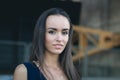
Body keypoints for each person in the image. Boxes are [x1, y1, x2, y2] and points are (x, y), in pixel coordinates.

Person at [13, 8, 81, 80]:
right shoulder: (24, 71)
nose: (59, 39)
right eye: (52, 32)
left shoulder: (73, 73)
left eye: (64, 33)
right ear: (41, 34)